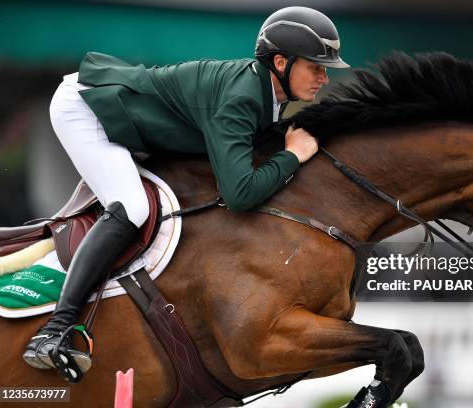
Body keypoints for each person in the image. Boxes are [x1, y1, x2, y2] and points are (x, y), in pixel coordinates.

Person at [23, 6, 349, 378]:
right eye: (317, 67)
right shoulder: (243, 97)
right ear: (280, 62)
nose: (324, 78)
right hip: (85, 109)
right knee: (132, 207)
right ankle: (53, 332)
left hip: (122, 110)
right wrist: (292, 157)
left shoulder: (266, 94)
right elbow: (240, 194)